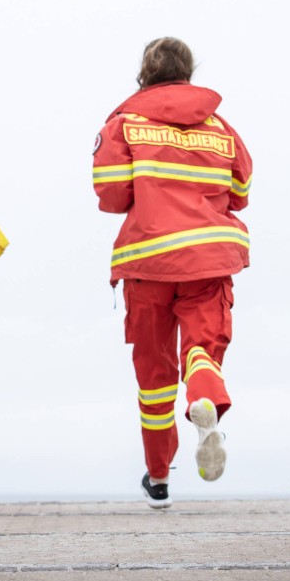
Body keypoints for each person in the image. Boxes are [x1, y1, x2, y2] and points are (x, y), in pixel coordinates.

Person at [92, 37, 252, 509]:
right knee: (203, 350)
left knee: (155, 377)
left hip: (149, 263)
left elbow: (111, 196)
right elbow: (239, 191)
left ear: (144, 74)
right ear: (189, 73)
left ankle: (159, 478)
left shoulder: (124, 125)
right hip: (207, 258)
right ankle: (204, 401)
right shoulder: (223, 130)